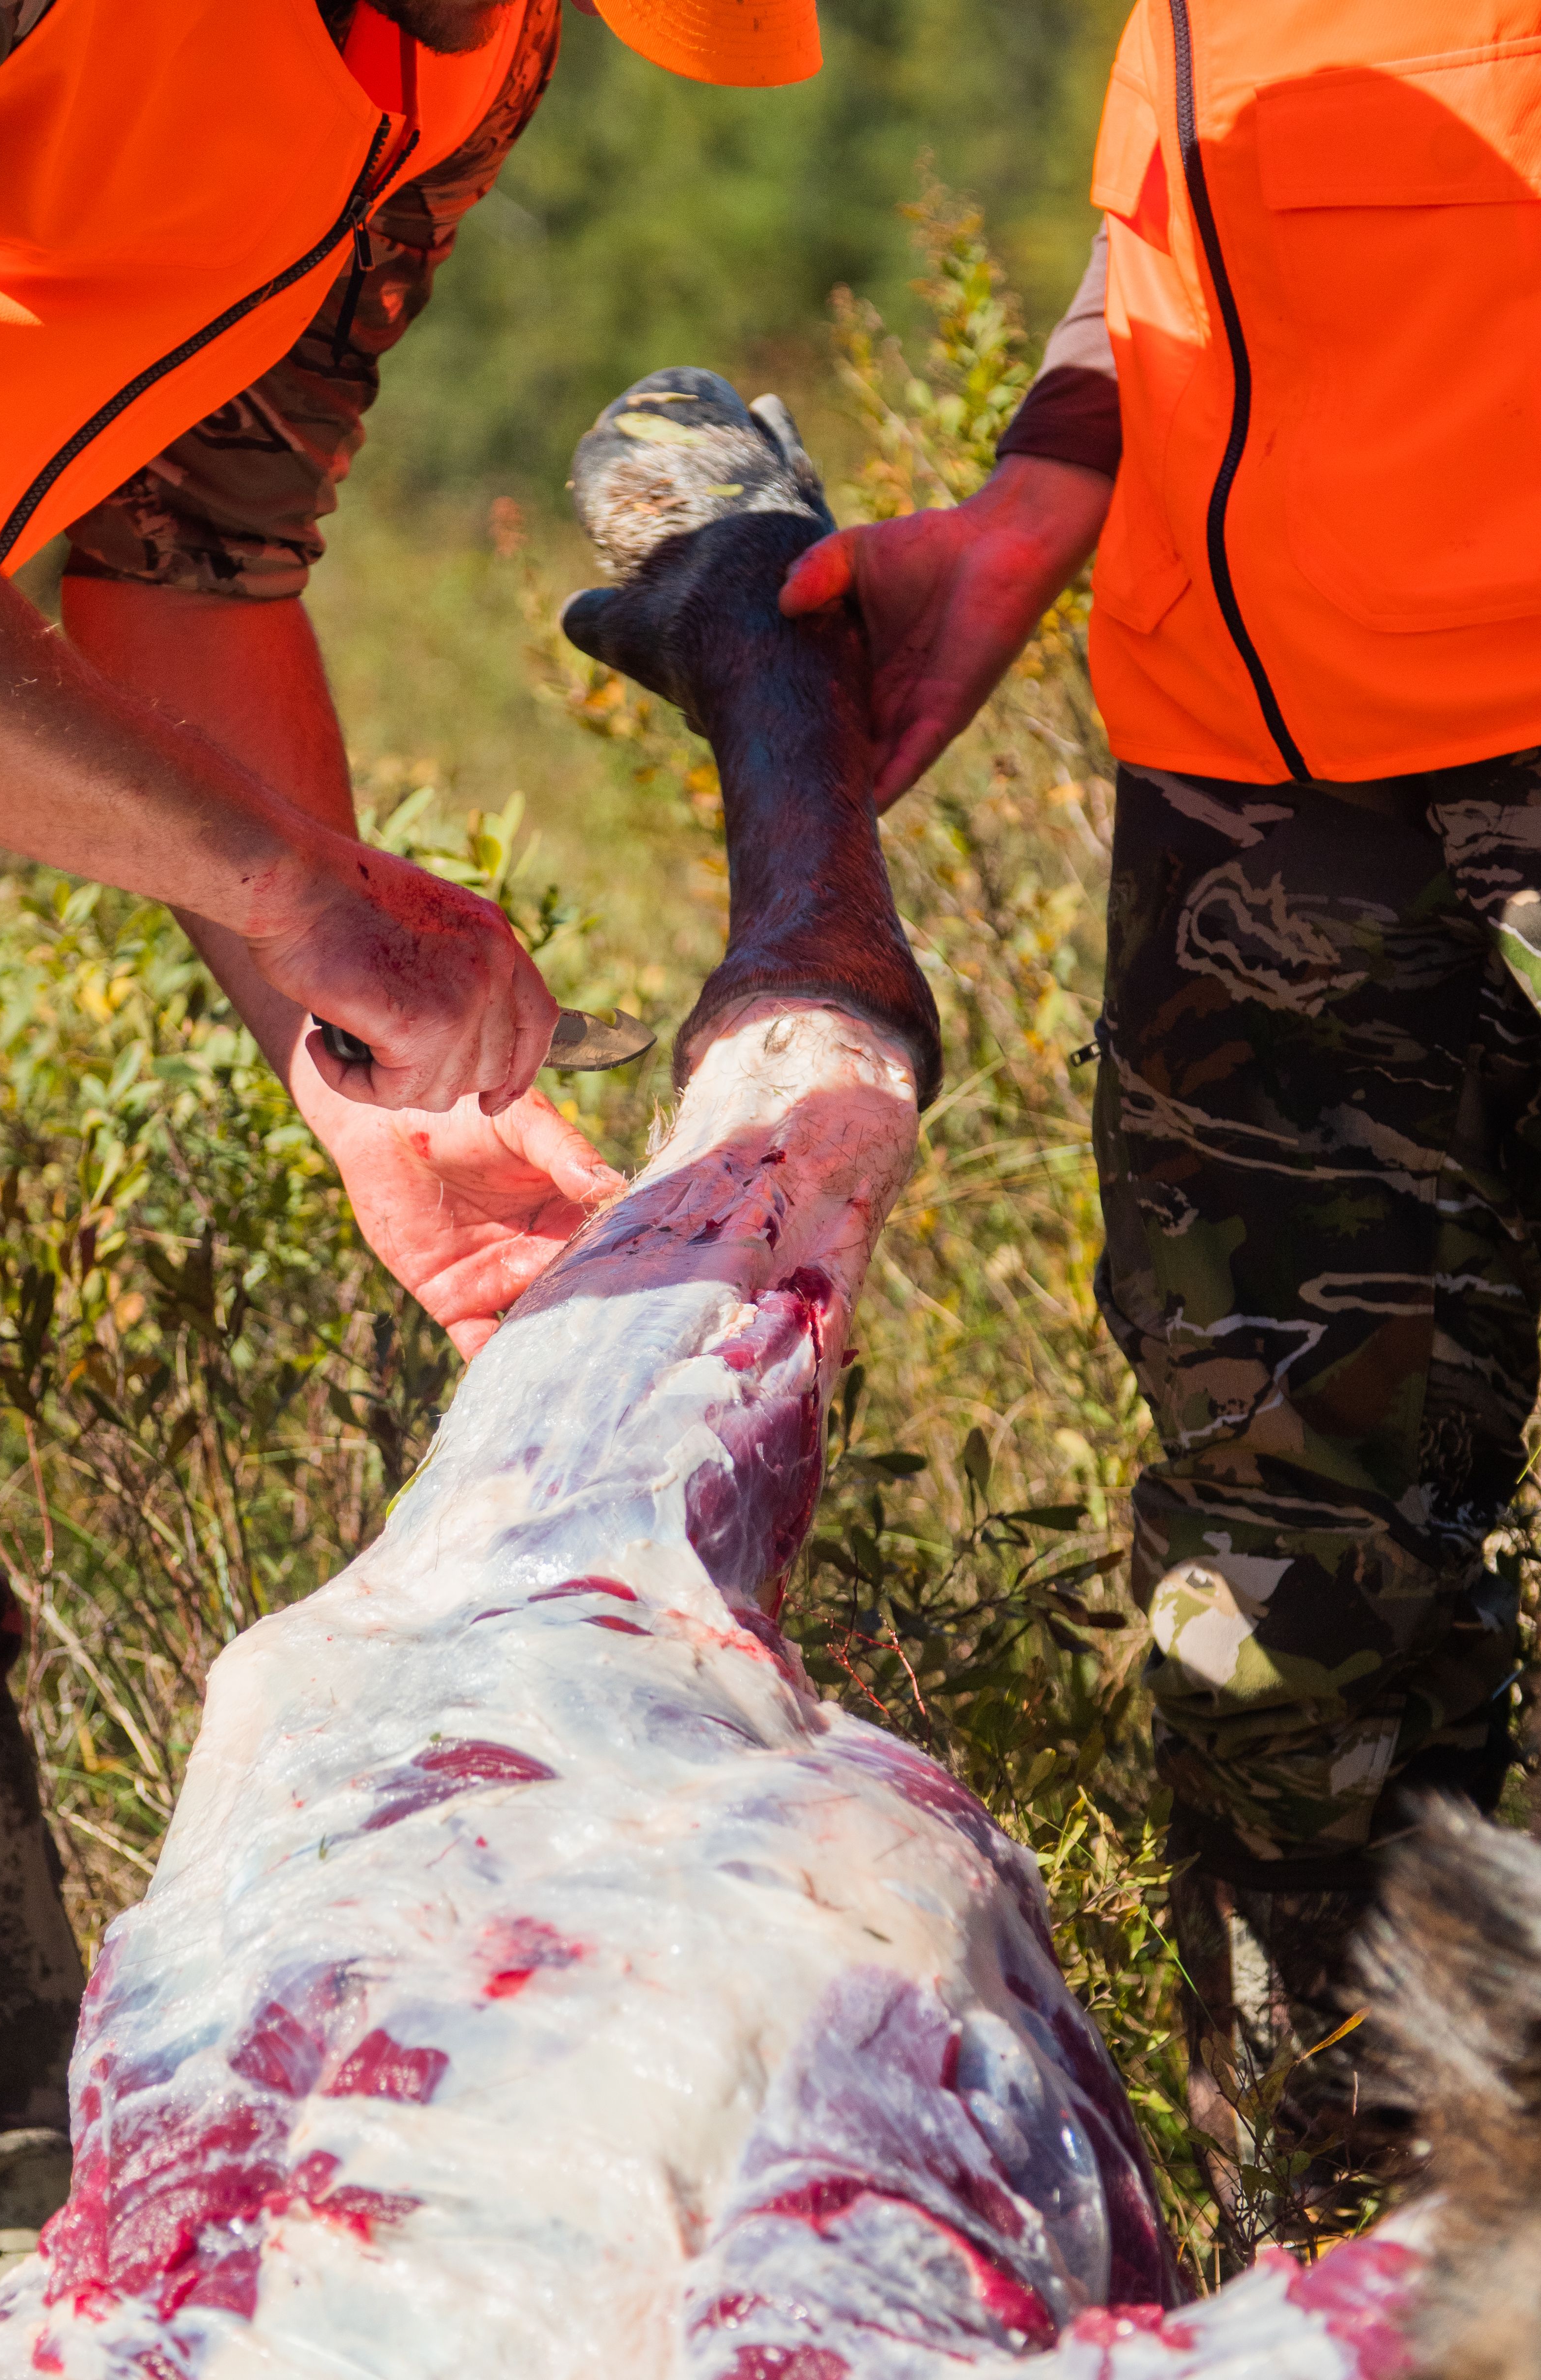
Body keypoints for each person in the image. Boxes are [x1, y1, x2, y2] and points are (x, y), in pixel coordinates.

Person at [0, 0, 821, 2295]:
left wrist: (348, 1051)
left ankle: (11, 2296)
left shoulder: (451, 64)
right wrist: (295, 895)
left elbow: (195, 571)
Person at [781, 0, 1541, 2215]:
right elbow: (1201, 221)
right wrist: (1046, 491)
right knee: (1287, 1616)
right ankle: (1354, 2286)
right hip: (1257, 816)